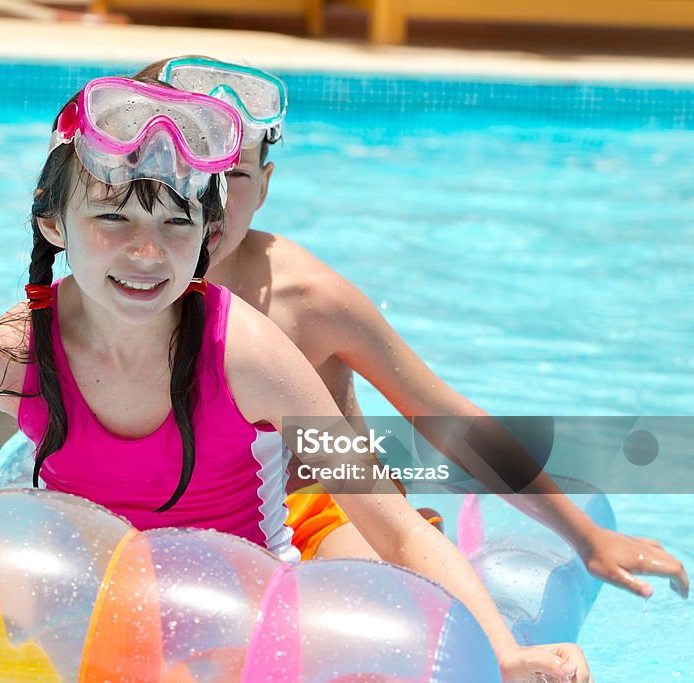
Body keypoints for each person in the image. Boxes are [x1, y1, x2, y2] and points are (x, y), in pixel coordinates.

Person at [0, 76, 591, 682]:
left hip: (242, 630)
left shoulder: (247, 353)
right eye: (113, 216)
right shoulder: (11, 352)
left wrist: (505, 651)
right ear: (54, 222)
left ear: (208, 236)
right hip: (81, 615)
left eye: (176, 224)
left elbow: (392, 525)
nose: (147, 252)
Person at [137, 55, 689, 600]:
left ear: (265, 186)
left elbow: (444, 419)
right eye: (186, 167)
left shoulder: (305, 299)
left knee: (375, 600)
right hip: (168, 517)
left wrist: (587, 536)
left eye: (235, 174)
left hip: (327, 514)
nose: (210, 196)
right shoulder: (111, 289)